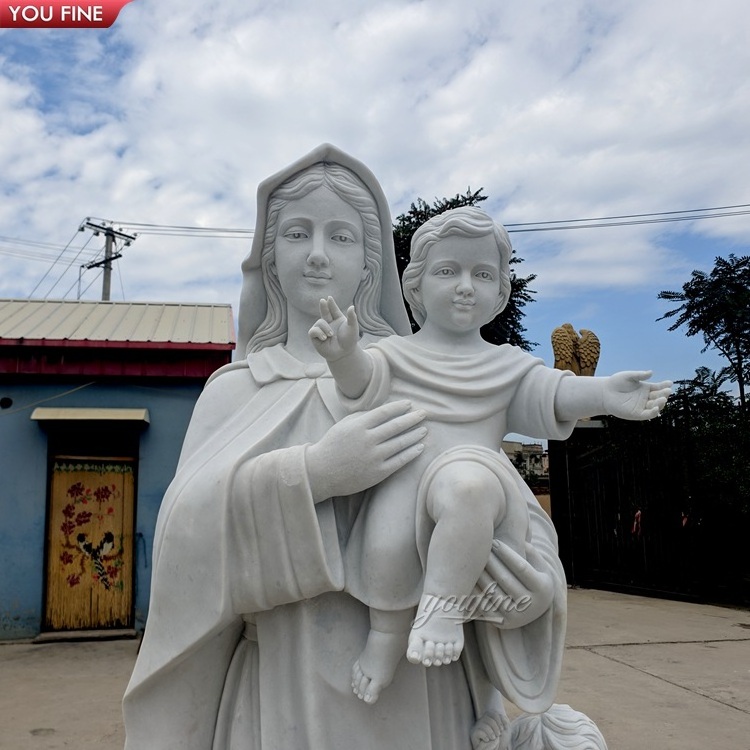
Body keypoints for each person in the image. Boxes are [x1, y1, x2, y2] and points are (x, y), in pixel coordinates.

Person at [123, 145, 573, 750]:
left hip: (424, 688)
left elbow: (496, 496)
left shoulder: (420, 378)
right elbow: (185, 542)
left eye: (340, 236)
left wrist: (532, 588)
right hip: (286, 684)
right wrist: (316, 474)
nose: (315, 254)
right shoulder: (237, 391)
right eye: (295, 233)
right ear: (269, 256)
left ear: (370, 263)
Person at [309, 207, 672, 705]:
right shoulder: (395, 355)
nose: (465, 286)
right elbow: (360, 387)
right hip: (405, 480)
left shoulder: (508, 365)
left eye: (482, 275)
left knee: (467, 484)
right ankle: (386, 637)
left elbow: (553, 394)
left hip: (482, 490)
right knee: (386, 545)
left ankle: (444, 608)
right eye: (447, 271)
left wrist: (605, 393)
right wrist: (343, 356)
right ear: (414, 289)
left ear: (500, 293)